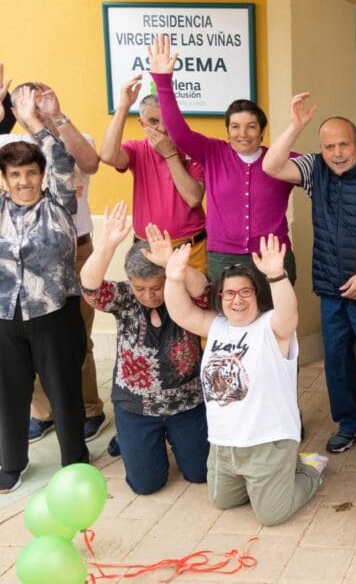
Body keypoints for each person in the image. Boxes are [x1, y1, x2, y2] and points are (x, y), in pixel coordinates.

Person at [263, 94, 356, 462]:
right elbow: (271, 165)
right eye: (329, 146)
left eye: (345, 144)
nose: (337, 152)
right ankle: (349, 423)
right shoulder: (315, 169)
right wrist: (296, 125)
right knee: (336, 361)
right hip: (330, 288)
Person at [162, 236, 326, 526]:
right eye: (229, 294)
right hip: (224, 445)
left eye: (245, 292)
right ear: (221, 298)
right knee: (221, 501)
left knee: (271, 515)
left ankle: (308, 469)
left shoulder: (271, 327)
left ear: (257, 294)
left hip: (268, 444)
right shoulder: (216, 326)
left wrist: (277, 274)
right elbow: (182, 313)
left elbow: (289, 315)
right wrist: (174, 278)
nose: (237, 299)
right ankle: (270, 479)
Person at [1, 79, 108, 445]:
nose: (35, 106)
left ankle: (88, 408)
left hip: (73, 249)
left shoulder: (72, 137)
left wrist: (54, 117)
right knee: (25, 339)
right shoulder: (10, 145)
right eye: (26, 103)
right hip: (22, 257)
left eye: (40, 99)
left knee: (75, 338)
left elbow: (88, 163)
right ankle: (43, 412)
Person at [79, 202, 210, 494]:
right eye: (140, 288)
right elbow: (90, 288)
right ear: (130, 283)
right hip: (135, 407)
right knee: (146, 485)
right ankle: (131, 440)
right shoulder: (125, 298)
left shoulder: (183, 292)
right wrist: (107, 244)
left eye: (156, 287)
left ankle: (162, 441)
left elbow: (203, 289)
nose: (149, 295)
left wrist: (175, 266)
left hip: (186, 404)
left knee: (200, 473)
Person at [146, 34, 299, 283]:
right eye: (235, 127)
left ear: (262, 131)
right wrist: (163, 82)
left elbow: (322, 165)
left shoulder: (281, 159)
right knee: (228, 319)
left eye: (251, 126)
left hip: (273, 255)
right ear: (227, 131)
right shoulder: (213, 152)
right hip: (224, 256)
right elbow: (178, 132)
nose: (243, 134)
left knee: (278, 320)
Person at [98, 74, 207, 275]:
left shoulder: (193, 148)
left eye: (167, 121)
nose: (162, 128)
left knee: (193, 305)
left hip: (190, 249)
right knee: (150, 303)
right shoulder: (137, 149)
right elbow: (107, 156)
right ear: (142, 123)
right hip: (147, 248)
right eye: (153, 121)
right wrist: (123, 107)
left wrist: (170, 154)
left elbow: (193, 199)